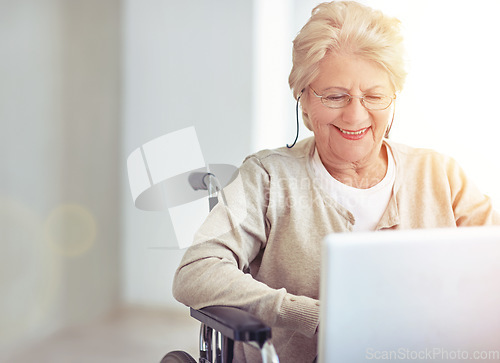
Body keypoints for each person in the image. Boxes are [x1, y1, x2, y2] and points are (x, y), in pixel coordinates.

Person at [173, 1, 500, 362]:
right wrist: (306, 314)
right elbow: (196, 272)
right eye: (335, 96)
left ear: (393, 100)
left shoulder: (441, 176)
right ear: (305, 103)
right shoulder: (267, 177)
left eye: (374, 96)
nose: (356, 115)